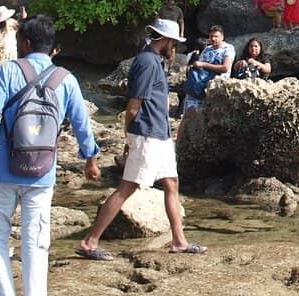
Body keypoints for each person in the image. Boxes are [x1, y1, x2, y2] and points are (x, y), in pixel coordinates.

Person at [0, 15, 100, 296]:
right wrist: (90, 158)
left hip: (3, 170)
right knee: (36, 244)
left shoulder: (8, 70)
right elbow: (83, 125)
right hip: (43, 173)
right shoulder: (66, 79)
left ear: (26, 42)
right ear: (51, 47)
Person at [78, 19, 206, 259]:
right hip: (147, 135)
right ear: (166, 40)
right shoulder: (147, 62)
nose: (175, 49)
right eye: (174, 43)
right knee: (128, 187)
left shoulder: (153, 60)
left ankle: (179, 240)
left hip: (159, 134)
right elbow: (133, 107)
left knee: (171, 183)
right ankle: (89, 241)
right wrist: (129, 140)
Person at [179, 25, 235, 138]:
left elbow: (225, 67)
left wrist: (204, 64)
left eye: (216, 36)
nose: (213, 39)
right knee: (188, 116)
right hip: (199, 86)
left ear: (222, 37)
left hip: (216, 88)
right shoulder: (207, 49)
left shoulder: (228, 48)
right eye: (211, 36)